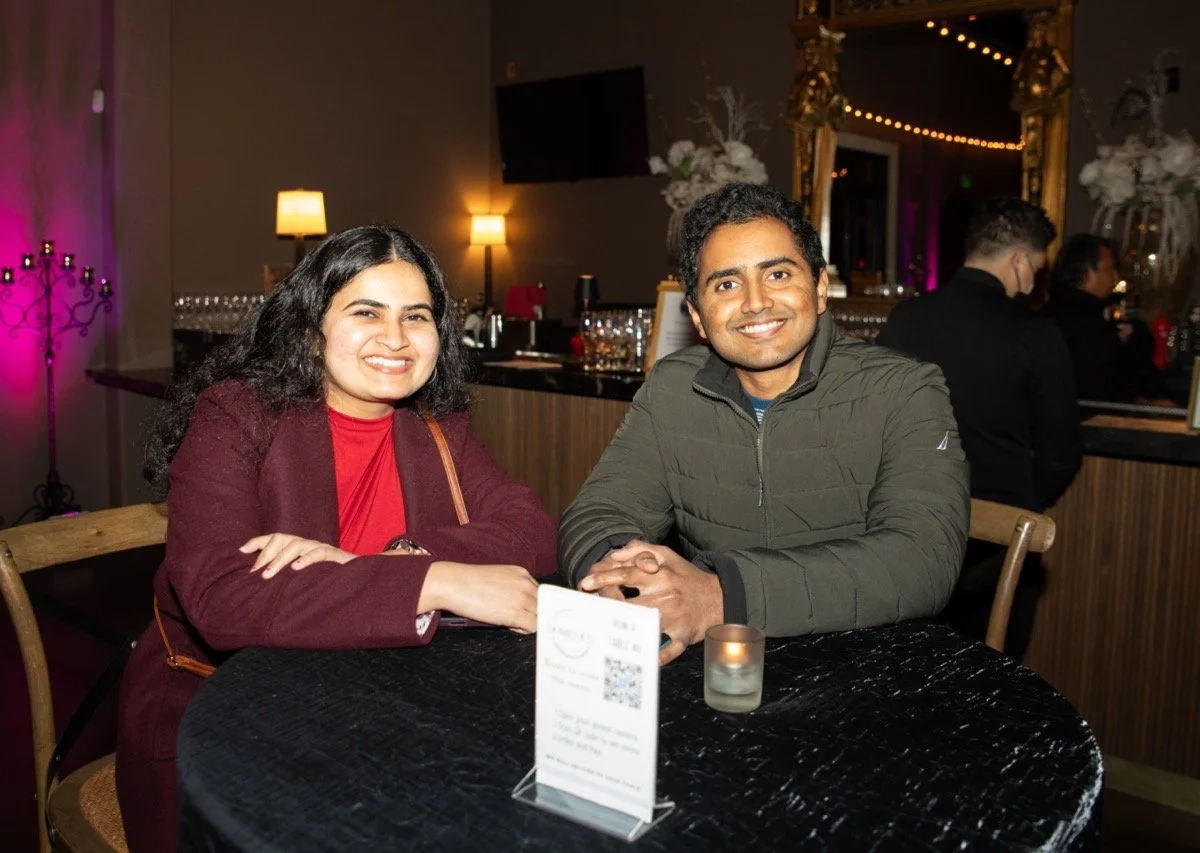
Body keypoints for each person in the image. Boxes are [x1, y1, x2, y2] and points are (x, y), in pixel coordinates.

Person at [117, 225, 557, 851]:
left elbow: (533, 530)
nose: (395, 338)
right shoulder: (236, 414)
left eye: (416, 316)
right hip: (222, 723)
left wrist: (393, 560)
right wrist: (433, 581)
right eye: (366, 312)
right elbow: (220, 597)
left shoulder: (436, 425)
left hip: (373, 709)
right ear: (309, 326)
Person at [559, 183, 969, 664]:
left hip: (869, 667)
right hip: (718, 667)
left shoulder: (905, 390)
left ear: (819, 288)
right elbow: (598, 511)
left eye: (777, 274)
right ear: (697, 314)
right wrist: (621, 578)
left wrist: (723, 595)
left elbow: (923, 559)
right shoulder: (673, 388)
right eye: (726, 285)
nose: (755, 302)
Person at [877, 196, 1082, 659]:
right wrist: (1016, 503)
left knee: (908, 670)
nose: (1033, 283)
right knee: (991, 680)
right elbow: (1061, 453)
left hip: (911, 531)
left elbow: (876, 427)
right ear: (1018, 260)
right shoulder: (1035, 334)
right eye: (1036, 269)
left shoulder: (906, 318)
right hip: (999, 546)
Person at [1044, 233, 1176, 406]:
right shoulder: (1084, 325)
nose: (1115, 277)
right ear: (1085, 274)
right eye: (1109, 270)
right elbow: (1105, 389)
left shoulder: (1065, 314)